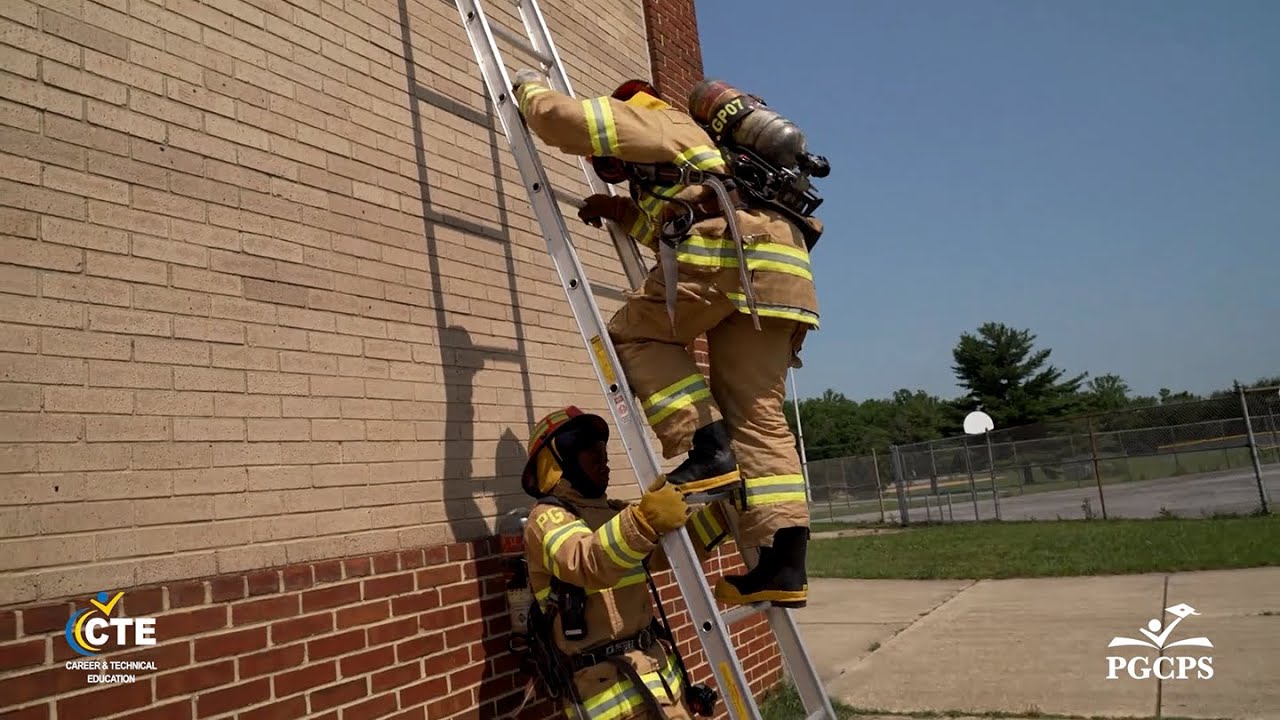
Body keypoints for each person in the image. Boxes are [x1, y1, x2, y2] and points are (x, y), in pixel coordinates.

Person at [511, 70, 818, 607]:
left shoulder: (655, 119)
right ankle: (783, 563)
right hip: (778, 271)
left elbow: (562, 121)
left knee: (633, 335)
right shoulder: (700, 158)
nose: (609, 166)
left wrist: (527, 89)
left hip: (730, 258)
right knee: (757, 415)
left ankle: (705, 448)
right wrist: (620, 211)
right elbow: (680, 222)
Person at [520, 406, 733, 719]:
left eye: (602, 449)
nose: (602, 458)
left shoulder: (616, 514)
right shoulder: (547, 519)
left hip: (657, 672)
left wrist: (724, 514)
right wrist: (644, 521)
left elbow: (667, 551)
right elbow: (586, 561)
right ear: (556, 461)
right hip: (607, 689)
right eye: (589, 450)